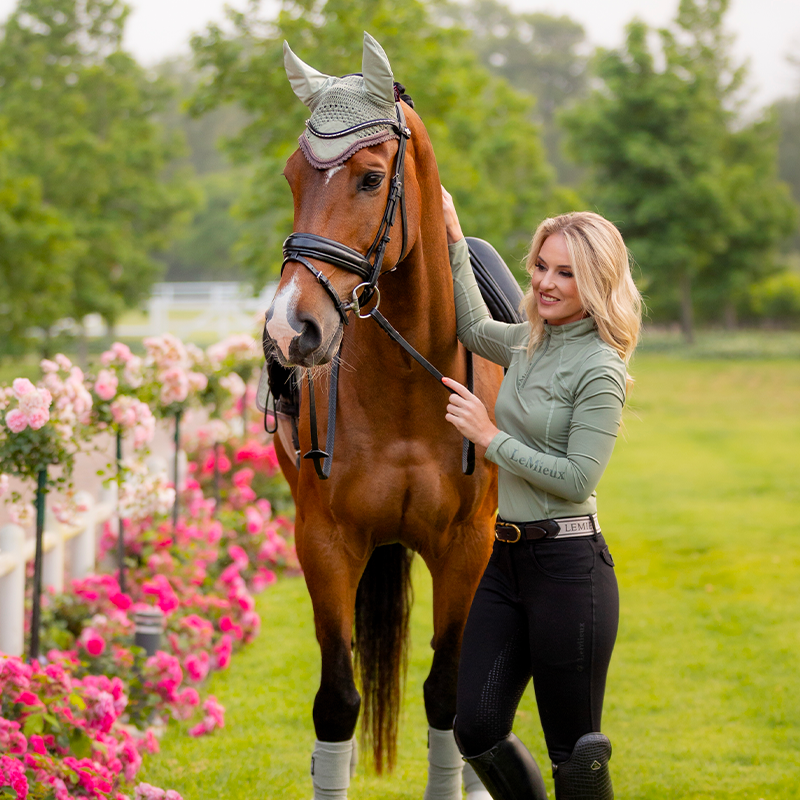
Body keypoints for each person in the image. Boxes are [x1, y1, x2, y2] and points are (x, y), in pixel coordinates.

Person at [440, 187, 642, 800]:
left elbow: (580, 477)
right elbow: (474, 326)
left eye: (567, 273)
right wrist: (452, 232)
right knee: (474, 727)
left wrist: (489, 437)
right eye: (541, 266)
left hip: (568, 571)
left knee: (574, 756)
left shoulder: (599, 367)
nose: (547, 283)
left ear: (598, 283)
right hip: (506, 563)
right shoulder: (529, 342)